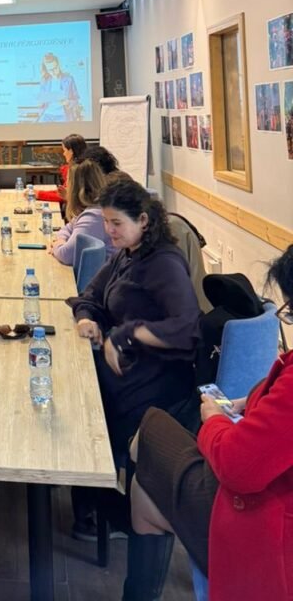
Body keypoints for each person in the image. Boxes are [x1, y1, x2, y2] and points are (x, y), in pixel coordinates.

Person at [124, 245, 293, 601]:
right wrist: (253, 403)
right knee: (145, 491)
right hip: (262, 490)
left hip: (262, 527)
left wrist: (213, 420)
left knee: (149, 431)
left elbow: (237, 468)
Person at [68, 179, 201, 459]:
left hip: (155, 377)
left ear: (143, 220)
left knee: (77, 399)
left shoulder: (164, 263)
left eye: (116, 223)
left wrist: (127, 334)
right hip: (127, 365)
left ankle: (100, 474)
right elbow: (91, 295)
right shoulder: (126, 254)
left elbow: (187, 327)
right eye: (106, 221)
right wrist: (86, 319)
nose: (109, 230)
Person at [49, 159, 114, 267]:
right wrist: (61, 240)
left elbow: (66, 255)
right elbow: (67, 228)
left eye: (68, 182)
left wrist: (57, 244)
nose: (66, 187)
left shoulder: (93, 217)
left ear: (75, 188)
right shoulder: (91, 208)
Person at [36, 132, 86, 204]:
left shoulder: (77, 170)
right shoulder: (80, 166)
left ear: (71, 151)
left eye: (64, 151)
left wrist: (39, 194)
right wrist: (38, 193)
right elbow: (63, 193)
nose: (63, 154)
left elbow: (65, 197)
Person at [35, 53, 82, 122]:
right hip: (47, 114)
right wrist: (40, 102)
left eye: (55, 68)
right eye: (50, 70)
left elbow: (76, 99)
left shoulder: (69, 79)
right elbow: (41, 101)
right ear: (46, 70)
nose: (53, 72)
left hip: (64, 115)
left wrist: (68, 102)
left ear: (58, 65)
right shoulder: (44, 81)